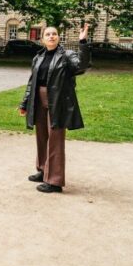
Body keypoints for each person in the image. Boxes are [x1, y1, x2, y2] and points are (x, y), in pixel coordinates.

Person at [19, 24, 91, 194]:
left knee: (55, 138)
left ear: (59, 37)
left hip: (57, 101)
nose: (51, 36)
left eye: (54, 34)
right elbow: (32, 82)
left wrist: (83, 42)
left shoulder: (66, 56)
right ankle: (43, 169)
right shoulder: (38, 57)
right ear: (42, 38)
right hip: (39, 98)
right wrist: (25, 103)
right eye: (48, 34)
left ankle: (55, 180)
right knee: (41, 135)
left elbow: (82, 65)